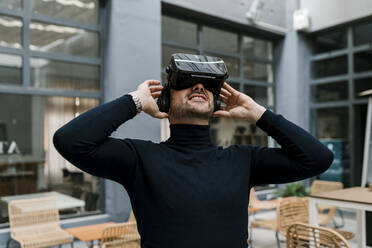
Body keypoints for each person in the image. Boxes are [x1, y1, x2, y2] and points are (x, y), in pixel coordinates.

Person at [53, 78, 333, 248]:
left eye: (207, 85)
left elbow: (318, 158)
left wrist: (257, 113)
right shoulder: (139, 159)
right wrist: (135, 101)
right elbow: (69, 140)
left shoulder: (242, 160)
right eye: (185, 82)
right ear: (164, 101)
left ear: (215, 104)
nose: (199, 86)